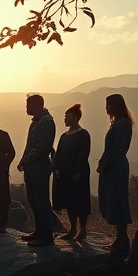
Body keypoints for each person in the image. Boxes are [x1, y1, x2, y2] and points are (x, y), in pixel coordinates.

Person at [97, 94, 134, 254]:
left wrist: (104, 164)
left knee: (118, 199)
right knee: (113, 198)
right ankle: (120, 238)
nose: (106, 108)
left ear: (115, 106)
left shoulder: (123, 124)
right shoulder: (117, 123)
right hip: (112, 166)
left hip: (116, 167)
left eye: (108, 105)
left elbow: (118, 149)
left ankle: (122, 239)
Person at [17, 94, 56, 247]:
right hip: (32, 166)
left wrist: (27, 159)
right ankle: (39, 231)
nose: (26, 108)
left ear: (37, 105)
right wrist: (23, 160)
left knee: (41, 201)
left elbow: (43, 147)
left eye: (28, 105)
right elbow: (30, 145)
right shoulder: (38, 121)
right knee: (33, 199)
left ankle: (46, 236)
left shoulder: (46, 122)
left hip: (39, 167)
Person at [52, 104, 91, 242]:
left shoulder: (83, 134)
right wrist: (56, 168)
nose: (65, 119)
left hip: (78, 173)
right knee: (69, 202)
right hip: (65, 174)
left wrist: (78, 171)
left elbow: (83, 154)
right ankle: (72, 229)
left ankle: (83, 230)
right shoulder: (64, 136)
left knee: (80, 201)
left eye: (67, 116)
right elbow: (58, 154)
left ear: (75, 118)